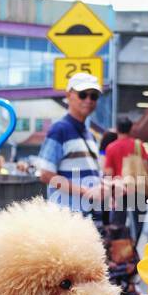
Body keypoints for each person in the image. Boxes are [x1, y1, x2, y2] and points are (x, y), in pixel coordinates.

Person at [38, 72, 106, 220]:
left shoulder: (90, 135)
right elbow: (45, 174)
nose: (88, 100)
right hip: (67, 220)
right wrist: (86, 192)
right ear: (69, 95)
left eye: (93, 96)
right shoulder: (59, 129)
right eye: (83, 94)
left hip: (86, 218)